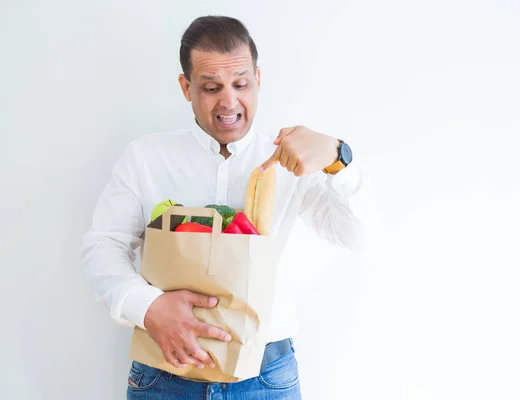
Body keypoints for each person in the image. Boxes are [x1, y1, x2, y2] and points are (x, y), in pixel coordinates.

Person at [81, 15, 366, 399]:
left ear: (258, 80)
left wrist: (337, 158)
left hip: (266, 378)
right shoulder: (146, 158)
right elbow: (103, 246)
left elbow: (357, 237)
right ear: (186, 87)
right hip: (164, 377)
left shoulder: (291, 159)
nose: (229, 101)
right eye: (211, 87)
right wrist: (147, 307)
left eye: (241, 84)